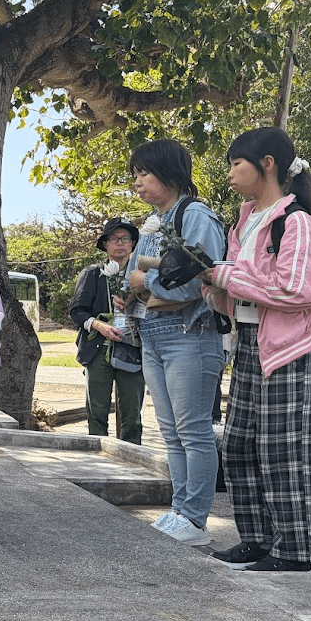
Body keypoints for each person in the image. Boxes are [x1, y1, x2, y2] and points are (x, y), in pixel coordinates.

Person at [201, 127, 311, 571]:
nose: (229, 173)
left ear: (267, 164)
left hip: (290, 350)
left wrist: (224, 277)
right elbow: (244, 290)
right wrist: (212, 287)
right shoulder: (244, 221)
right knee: (238, 446)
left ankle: (294, 550)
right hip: (250, 345)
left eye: (235, 164)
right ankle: (258, 540)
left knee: (282, 451)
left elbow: (297, 290)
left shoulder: (296, 222)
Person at [124, 139, 226, 547]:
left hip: (190, 335)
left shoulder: (195, 215)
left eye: (143, 174)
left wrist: (144, 280)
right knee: (170, 431)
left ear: (168, 174)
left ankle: (196, 519)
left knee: (193, 429)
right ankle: (181, 509)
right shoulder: (153, 222)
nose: (137, 183)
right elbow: (131, 277)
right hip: (153, 334)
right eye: (135, 175)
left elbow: (200, 279)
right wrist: (133, 288)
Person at [69, 217, 144, 443]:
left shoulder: (141, 275)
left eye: (125, 238)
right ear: (105, 244)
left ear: (132, 243)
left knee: (132, 415)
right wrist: (99, 325)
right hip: (98, 349)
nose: (120, 243)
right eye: (114, 238)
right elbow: (77, 311)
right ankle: (98, 458)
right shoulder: (92, 273)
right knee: (97, 413)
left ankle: (133, 458)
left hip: (132, 349)